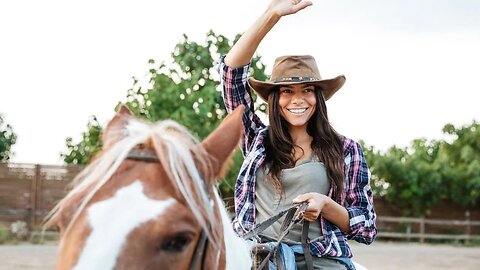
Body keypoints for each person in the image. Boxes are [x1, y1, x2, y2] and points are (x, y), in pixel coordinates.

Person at [217, 0, 377, 269]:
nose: (297, 100)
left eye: (307, 90)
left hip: (321, 259)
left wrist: (326, 206)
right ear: (275, 99)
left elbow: (366, 225)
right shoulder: (256, 139)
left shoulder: (346, 150)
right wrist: (270, 15)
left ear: (319, 96)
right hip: (258, 256)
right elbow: (231, 77)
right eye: (287, 91)